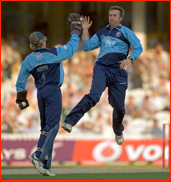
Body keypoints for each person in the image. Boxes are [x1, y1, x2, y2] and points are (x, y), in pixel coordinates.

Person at [62, 6, 143, 145]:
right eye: (110, 15)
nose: (111, 17)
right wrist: (86, 30)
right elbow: (87, 47)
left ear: (120, 18)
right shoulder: (102, 32)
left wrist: (130, 58)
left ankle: (118, 130)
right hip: (102, 68)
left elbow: (139, 47)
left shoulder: (126, 32)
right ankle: (70, 121)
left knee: (119, 107)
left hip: (119, 71)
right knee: (94, 96)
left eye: (114, 15)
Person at [15, 13, 82, 176]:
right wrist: (75, 30)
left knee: (46, 127)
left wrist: (21, 98)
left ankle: (45, 165)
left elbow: (20, 80)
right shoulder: (54, 53)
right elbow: (72, 48)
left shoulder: (29, 60)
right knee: (53, 125)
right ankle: (38, 155)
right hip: (53, 90)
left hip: (41, 93)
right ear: (43, 41)